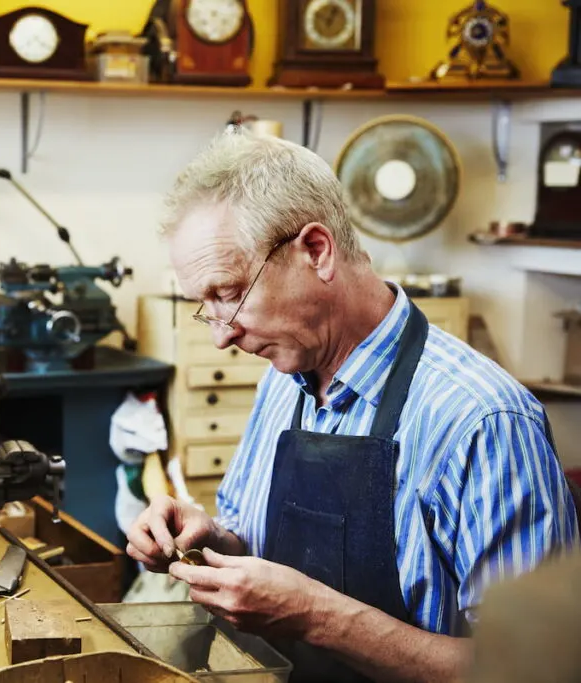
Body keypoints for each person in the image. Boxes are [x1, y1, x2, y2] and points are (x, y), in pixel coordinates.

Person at [126, 130, 580, 683]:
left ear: (316, 251)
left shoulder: (483, 421)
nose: (222, 336)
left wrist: (317, 617)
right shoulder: (285, 375)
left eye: (230, 294)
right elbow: (255, 535)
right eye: (206, 307)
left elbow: (535, 669)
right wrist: (210, 539)